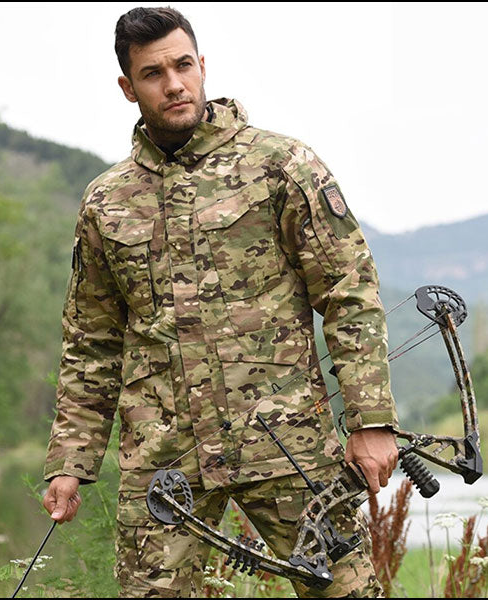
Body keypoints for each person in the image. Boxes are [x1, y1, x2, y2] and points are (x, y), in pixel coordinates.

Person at [42, 6, 399, 598]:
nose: (174, 84)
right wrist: (70, 462)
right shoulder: (106, 202)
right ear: (128, 88)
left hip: (286, 443)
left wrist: (371, 420)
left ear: (203, 65)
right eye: (153, 74)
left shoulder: (281, 166)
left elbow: (349, 293)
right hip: (164, 460)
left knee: (347, 592)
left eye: (183, 65)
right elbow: (91, 343)